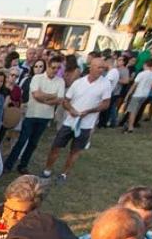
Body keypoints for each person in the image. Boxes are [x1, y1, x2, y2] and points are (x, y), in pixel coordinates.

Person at [41, 55, 111, 183]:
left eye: (103, 67)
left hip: (86, 125)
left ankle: (64, 174)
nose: (102, 70)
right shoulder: (79, 83)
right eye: (99, 67)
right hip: (69, 122)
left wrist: (90, 111)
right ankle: (47, 170)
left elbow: (106, 104)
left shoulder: (105, 84)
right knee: (56, 146)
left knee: (75, 151)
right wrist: (71, 110)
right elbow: (66, 101)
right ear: (92, 67)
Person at [5, 56, 63, 173]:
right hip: (32, 114)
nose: (55, 70)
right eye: (53, 67)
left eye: (58, 68)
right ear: (48, 66)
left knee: (33, 143)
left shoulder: (60, 81)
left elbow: (60, 99)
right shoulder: (37, 78)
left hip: (46, 117)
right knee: (22, 140)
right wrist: (52, 96)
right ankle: (8, 164)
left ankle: (23, 165)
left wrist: (45, 97)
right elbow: (36, 95)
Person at [122, 60, 152, 132]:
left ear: (145, 65)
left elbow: (134, 85)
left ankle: (130, 127)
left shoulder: (141, 74)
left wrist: (128, 94)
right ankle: (130, 124)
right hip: (145, 95)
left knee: (132, 111)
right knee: (136, 110)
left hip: (138, 94)